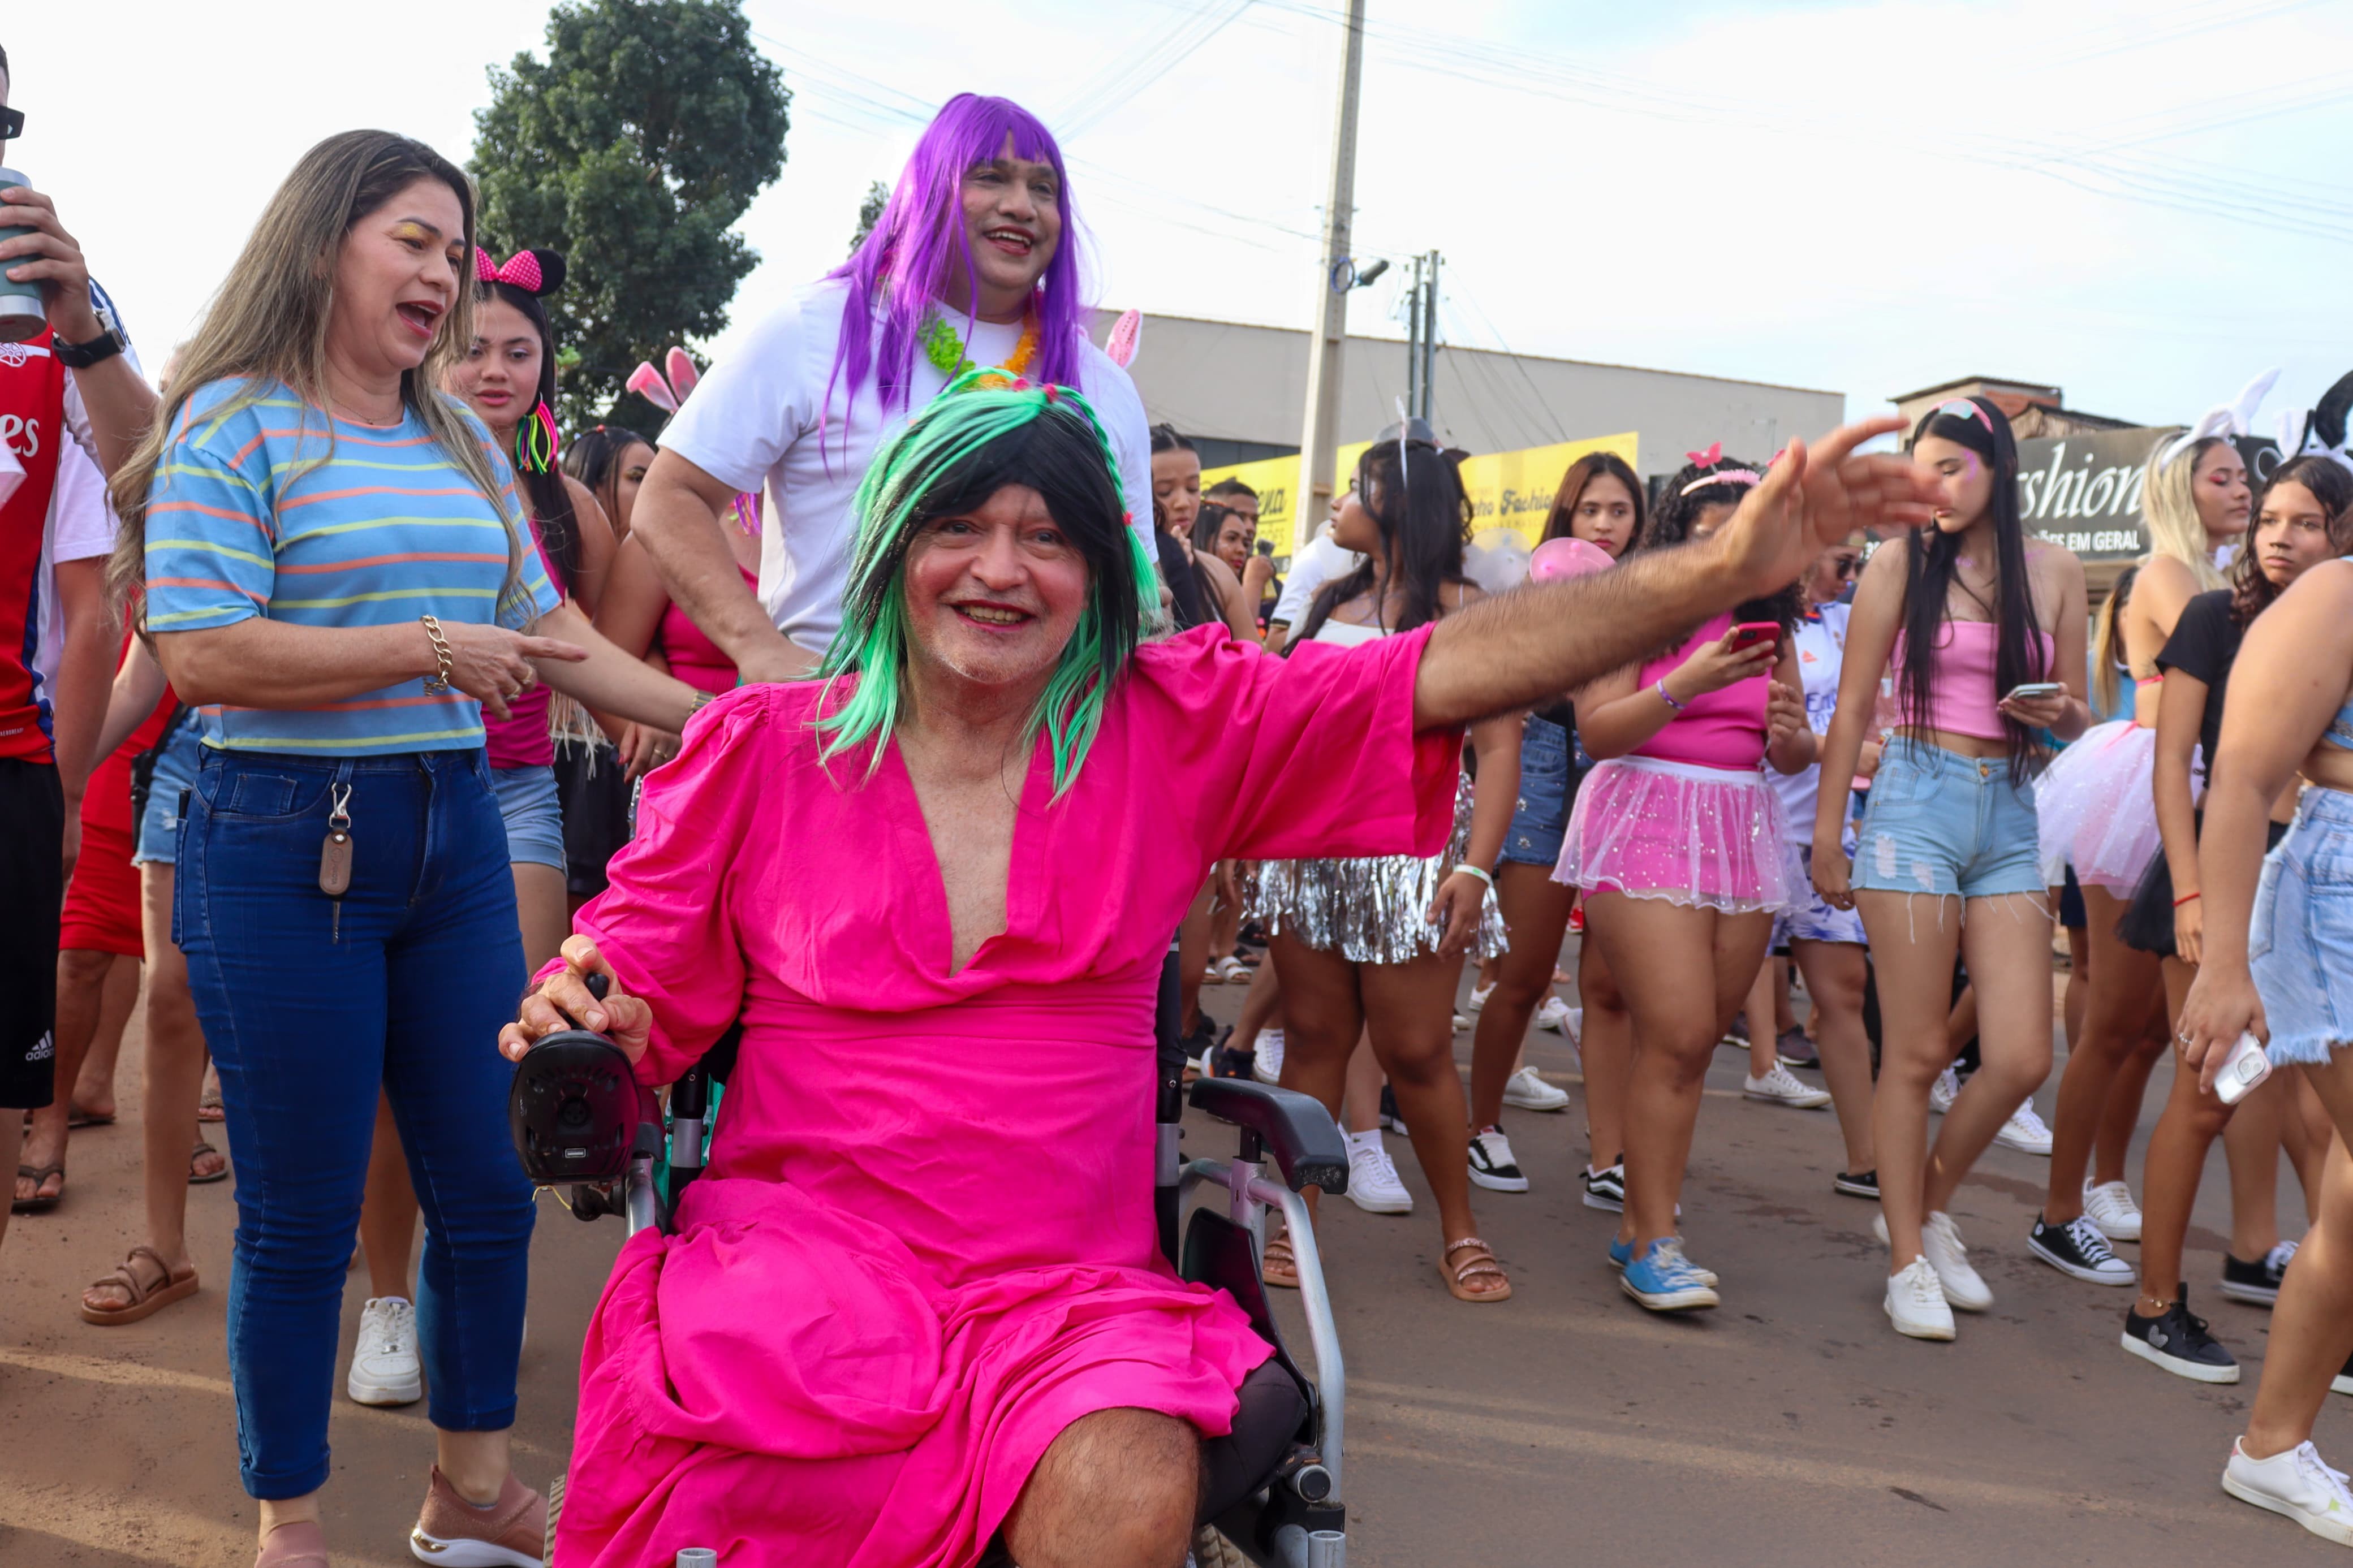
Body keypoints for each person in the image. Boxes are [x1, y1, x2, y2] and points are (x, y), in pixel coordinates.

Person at [498, 371, 1940, 1568]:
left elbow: (1452, 668)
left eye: (1047, 538)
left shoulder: (1173, 720)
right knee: (738, 1448)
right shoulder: (762, 750)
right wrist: (589, 1008)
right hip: (802, 1264)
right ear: (889, 552)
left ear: (1099, 572)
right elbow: (637, 979)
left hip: (1062, 1287)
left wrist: (1712, 571)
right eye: (960, 528)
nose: (1001, 570)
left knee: (1125, 1492)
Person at [116, 129, 703, 1566]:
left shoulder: (455, 439)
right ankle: (291, 1521)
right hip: (275, 846)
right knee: (302, 1217)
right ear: (325, 243)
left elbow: (560, 639)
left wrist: (749, 725)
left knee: (489, 1183)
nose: (442, 270)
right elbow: (199, 653)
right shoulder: (234, 423)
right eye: (415, 241)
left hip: (447, 838)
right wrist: (427, 647)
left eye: (456, 245)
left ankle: (473, 1487)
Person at [627, 93, 1153, 684]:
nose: (1020, 206)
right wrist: (757, 646)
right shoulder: (814, 330)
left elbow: (1138, 586)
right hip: (835, 719)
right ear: (929, 191)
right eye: (989, 177)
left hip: (1035, 739)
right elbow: (669, 497)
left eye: (1043, 188)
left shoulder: (1100, 385)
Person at [1813, 395, 2090, 1341]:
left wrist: (2061, 715)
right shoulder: (1899, 561)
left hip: (2014, 809)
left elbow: (2082, 723)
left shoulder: (2055, 572)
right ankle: (1902, 1260)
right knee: (1921, 1049)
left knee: (2020, 1053)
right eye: (1920, 468)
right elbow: (1851, 709)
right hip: (1913, 806)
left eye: (1950, 467)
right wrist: (1826, 833)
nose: (1931, 486)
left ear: (1997, 470)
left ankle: (1926, 1207)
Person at [1251, 434, 1518, 1302]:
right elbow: (1275, 725)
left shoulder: (1465, 610)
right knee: (1317, 1042)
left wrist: (1476, 873)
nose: (1338, 502)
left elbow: (1500, 750)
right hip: (1310, 855)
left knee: (1417, 1051)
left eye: (1357, 488)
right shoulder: (1329, 597)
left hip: (1414, 855)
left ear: (1398, 503)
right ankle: (1297, 1222)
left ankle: (1460, 1230)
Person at [1556, 450, 1817, 1312]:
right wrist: (1684, 683)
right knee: (1674, 1030)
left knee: (1695, 1043)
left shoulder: (1770, 627)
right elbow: (1597, 730)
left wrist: (1790, 736)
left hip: (1742, 826)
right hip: (1644, 816)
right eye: (1712, 536)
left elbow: (1788, 752)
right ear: (1680, 538)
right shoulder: (1635, 606)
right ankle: (1656, 1241)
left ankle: (1642, 1222)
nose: (1729, 556)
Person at [2116, 455, 2350, 1384]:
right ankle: (2155, 1306)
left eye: (2305, 522)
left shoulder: (2334, 619)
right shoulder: (2215, 617)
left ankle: (2320, 1311)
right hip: (2220, 880)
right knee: (2207, 1094)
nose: (2281, 537)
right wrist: (2189, 897)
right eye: (2270, 520)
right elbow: (2178, 766)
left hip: (2310, 888)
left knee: (2311, 1117)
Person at [0, 40, 159, 1238]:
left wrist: (84, 332)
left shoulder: (51, 319)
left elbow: (139, 529)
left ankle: (53, 1116)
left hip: (15, 755)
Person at [2028, 428, 2251, 1280]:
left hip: (2196, 797)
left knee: (2155, 1032)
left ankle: (2104, 1182)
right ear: (2180, 490)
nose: (2242, 491)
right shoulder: (2168, 575)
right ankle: (2057, 1212)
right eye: (2223, 478)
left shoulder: (2216, 578)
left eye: (2244, 478)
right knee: (2115, 1021)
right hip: (2145, 794)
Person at [2177, 522, 2353, 1548]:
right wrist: (2225, 965)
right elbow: (2241, 775)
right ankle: (2273, 1447)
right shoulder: (2336, 592)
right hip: (2336, 900)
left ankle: (2274, 1447)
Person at [1463, 450, 1645, 1196]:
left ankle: (1609, 1157)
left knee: (1609, 982)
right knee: (1527, 971)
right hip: (1542, 767)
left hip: (1628, 777)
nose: (1604, 525)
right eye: (1590, 510)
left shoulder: (1652, 598)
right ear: (1566, 518)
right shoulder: (1526, 589)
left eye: (1619, 510)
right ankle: (1480, 1126)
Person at [74, 638, 231, 1324]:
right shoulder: (180, 526)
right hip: (190, 756)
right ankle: (166, 1247)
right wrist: (55, 780)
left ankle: (320, 1215)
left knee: (301, 1003)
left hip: (318, 758)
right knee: (173, 999)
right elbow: (138, 679)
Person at [1756, 535, 1881, 1190]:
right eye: (1842, 561)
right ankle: (1635, 1163)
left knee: (1843, 992)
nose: (1851, 575)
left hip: (1820, 833)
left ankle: (1866, 1160)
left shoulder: (1848, 620)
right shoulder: (1754, 619)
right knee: (1692, 1012)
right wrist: (1840, 748)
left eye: (1859, 562)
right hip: (1746, 829)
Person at [555, 424, 656, 904]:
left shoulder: (670, 583)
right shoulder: (553, 600)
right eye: (638, 476)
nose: (655, 488)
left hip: (634, 779)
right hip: (568, 775)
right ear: (592, 489)